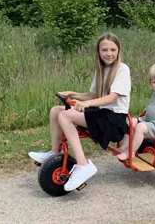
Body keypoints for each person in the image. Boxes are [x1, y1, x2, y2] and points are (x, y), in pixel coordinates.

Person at [28, 32, 131, 191]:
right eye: (104, 50)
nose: (109, 53)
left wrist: (87, 104)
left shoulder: (122, 69)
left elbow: (112, 97)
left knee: (65, 115)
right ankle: (54, 153)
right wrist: (72, 94)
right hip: (101, 114)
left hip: (114, 120)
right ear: (98, 52)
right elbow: (93, 95)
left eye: (113, 49)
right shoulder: (101, 70)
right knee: (56, 110)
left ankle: (83, 165)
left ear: (118, 51)